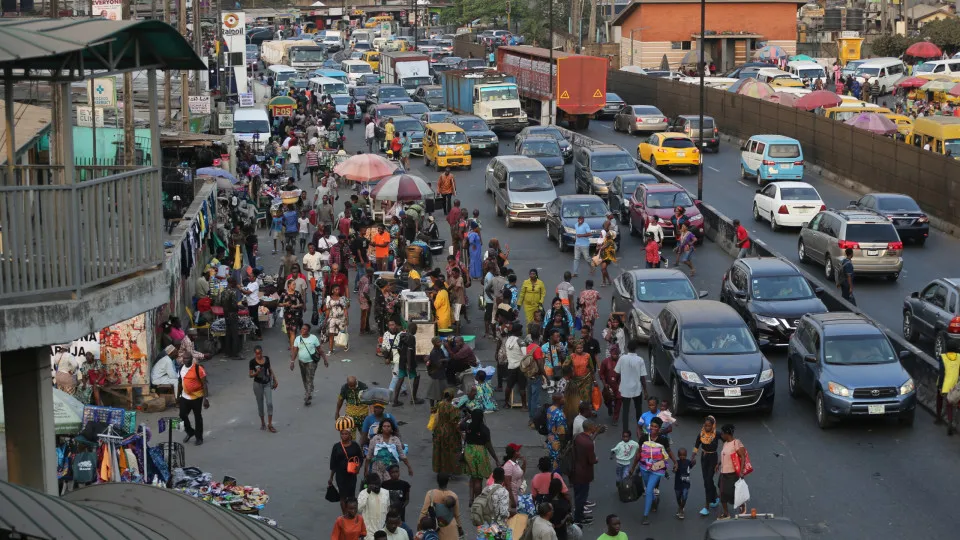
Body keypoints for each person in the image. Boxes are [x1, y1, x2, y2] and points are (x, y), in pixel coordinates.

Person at [630, 417, 677, 525]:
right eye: (651, 426)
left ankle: (645, 516)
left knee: (648, 490)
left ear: (659, 429)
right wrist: (633, 468)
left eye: (655, 427)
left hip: (658, 468)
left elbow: (669, 451)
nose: (652, 428)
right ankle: (655, 499)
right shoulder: (644, 437)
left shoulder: (663, 439)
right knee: (649, 489)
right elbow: (638, 453)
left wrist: (675, 462)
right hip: (644, 467)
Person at [462, 408, 499, 503]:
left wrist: (466, 418)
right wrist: (496, 459)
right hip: (480, 453)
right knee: (478, 479)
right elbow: (489, 446)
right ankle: (477, 501)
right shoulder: (485, 430)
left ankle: (471, 498)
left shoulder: (468, 426)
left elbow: (459, 426)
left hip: (469, 452)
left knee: (472, 476)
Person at [330, 423, 365, 513]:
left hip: (352, 474)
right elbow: (333, 462)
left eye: (346, 434)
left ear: (350, 435)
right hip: (340, 475)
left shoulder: (355, 445)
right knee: (342, 496)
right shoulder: (336, 446)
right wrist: (331, 477)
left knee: (351, 495)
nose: (344, 436)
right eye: (342, 434)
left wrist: (358, 467)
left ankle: (351, 512)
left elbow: (361, 457)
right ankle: (345, 514)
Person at [178, 351, 210, 446]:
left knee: (197, 417)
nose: (185, 360)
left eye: (187, 358)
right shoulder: (181, 368)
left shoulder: (198, 369)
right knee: (182, 415)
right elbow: (180, 382)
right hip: (184, 396)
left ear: (191, 359)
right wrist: (177, 396)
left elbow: (204, 384)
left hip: (197, 397)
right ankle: (190, 431)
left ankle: (199, 437)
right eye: (184, 358)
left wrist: (206, 399)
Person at [366, 417, 413, 482]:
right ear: (381, 428)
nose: (386, 428)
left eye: (388, 426)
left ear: (391, 428)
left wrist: (409, 467)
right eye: (384, 426)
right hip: (377, 469)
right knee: (378, 488)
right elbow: (369, 456)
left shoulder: (395, 439)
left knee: (390, 488)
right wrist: (366, 471)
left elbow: (402, 455)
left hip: (391, 471)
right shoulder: (375, 439)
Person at [291, 323, 328, 406]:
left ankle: (307, 395)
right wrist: (292, 362)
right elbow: (295, 351)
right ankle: (309, 390)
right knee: (304, 378)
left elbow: (319, 349)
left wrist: (325, 360)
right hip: (301, 361)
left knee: (309, 378)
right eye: (302, 329)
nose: (303, 330)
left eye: (305, 329)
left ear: (308, 331)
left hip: (311, 362)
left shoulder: (313, 338)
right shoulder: (298, 338)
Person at [570, 421, 599, 526]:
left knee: (577, 495)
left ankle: (579, 515)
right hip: (584, 474)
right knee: (581, 497)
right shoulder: (589, 444)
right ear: (591, 428)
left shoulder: (577, 437)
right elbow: (592, 460)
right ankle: (578, 518)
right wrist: (596, 459)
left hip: (575, 470)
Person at [420, 473, 464, 540]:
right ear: (448, 481)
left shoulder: (430, 494)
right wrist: (460, 527)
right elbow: (456, 514)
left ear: (437, 481)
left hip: (435, 526)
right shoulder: (453, 495)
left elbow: (424, 512)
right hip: (451, 527)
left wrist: (419, 526)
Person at [717, 424, 747, 519]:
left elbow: (742, 456)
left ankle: (742, 505)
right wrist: (718, 464)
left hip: (732, 473)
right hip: (723, 473)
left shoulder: (736, 443)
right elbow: (725, 456)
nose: (721, 435)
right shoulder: (725, 444)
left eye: (722, 433)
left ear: (727, 434)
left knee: (733, 492)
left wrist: (741, 471)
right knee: (722, 493)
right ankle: (726, 514)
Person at [694, 415, 720, 515]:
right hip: (704, 458)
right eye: (706, 426)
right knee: (706, 480)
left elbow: (727, 440)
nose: (707, 428)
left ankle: (706, 506)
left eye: (709, 426)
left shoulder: (717, 434)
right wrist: (692, 457)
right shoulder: (701, 434)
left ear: (713, 426)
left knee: (708, 480)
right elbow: (696, 446)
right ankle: (715, 496)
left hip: (713, 458)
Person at [432, 389, 462, 474]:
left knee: (439, 450)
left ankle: (440, 468)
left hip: (438, 430)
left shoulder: (439, 404)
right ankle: (449, 469)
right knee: (450, 452)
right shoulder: (452, 408)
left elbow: (433, 411)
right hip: (449, 432)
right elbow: (455, 422)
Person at [392, 322, 423, 406]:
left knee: (400, 379)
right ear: (413, 329)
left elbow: (398, 348)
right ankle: (414, 398)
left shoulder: (402, 335)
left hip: (402, 361)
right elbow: (409, 351)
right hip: (410, 362)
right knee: (417, 376)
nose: (416, 331)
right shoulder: (412, 338)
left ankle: (395, 401)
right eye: (415, 329)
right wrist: (409, 364)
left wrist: (403, 357)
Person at [250, 345, 277, 433]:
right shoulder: (252, 362)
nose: (259, 355)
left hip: (267, 383)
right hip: (257, 385)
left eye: (260, 353)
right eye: (257, 354)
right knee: (260, 404)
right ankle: (262, 423)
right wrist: (256, 373)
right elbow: (250, 375)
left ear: (262, 352)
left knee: (269, 403)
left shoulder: (266, 359)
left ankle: (270, 424)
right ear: (255, 353)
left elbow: (270, 369)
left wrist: (275, 380)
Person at [475, 467, 511, 531]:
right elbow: (503, 513)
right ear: (503, 478)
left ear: (493, 477)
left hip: (484, 526)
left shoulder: (485, 489)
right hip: (498, 527)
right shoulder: (504, 492)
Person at [564, 341, 595, 406]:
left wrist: (594, 380)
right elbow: (564, 366)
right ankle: (577, 411)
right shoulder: (571, 356)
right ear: (575, 349)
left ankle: (586, 410)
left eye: (581, 348)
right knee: (576, 396)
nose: (580, 349)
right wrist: (569, 373)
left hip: (587, 379)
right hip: (575, 380)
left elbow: (591, 368)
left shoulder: (587, 356)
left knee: (586, 396)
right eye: (578, 348)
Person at [280, 279, 305, 350]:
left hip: (295, 314)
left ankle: (292, 349)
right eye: (293, 284)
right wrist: (285, 304)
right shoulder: (284, 294)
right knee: (288, 331)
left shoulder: (297, 293)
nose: (295, 286)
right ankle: (292, 343)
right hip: (287, 314)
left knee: (293, 331)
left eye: (295, 284)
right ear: (289, 285)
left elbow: (302, 303)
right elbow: (278, 303)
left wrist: (296, 306)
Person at [545, 393, 567, 472]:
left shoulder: (550, 409)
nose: (564, 399)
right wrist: (563, 446)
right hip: (557, 442)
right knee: (557, 462)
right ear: (559, 400)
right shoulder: (560, 414)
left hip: (550, 438)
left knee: (551, 459)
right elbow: (561, 432)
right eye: (563, 398)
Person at [326, 284, 350, 354]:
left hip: (341, 318)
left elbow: (345, 309)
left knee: (343, 332)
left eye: (339, 290)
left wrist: (346, 318)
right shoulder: (328, 299)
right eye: (336, 289)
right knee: (331, 334)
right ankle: (330, 349)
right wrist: (326, 320)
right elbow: (328, 309)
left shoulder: (343, 298)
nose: (337, 291)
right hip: (332, 318)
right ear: (332, 291)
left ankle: (345, 343)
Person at [675, 447, 693, 519]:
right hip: (678, 483)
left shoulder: (688, 462)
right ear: (678, 455)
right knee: (678, 496)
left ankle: (681, 510)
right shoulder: (677, 462)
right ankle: (680, 506)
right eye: (681, 455)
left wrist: (694, 462)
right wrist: (674, 469)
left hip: (686, 483)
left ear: (686, 455)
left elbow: (691, 466)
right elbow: (674, 469)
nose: (682, 457)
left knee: (684, 496)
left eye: (684, 455)